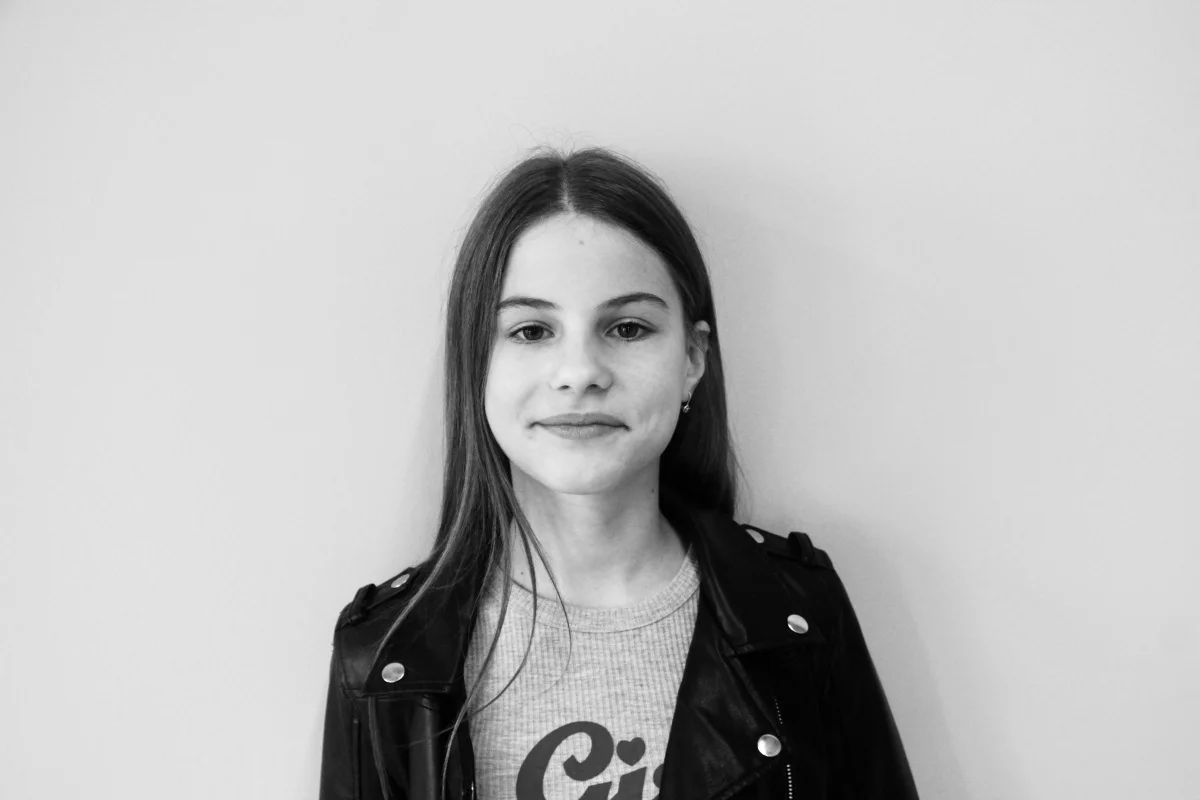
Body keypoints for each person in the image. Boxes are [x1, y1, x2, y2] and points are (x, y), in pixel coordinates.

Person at [318, 146, 918, 800]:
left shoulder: (800, 616)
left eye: (627, 328)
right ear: (475, 362)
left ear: (692, 359)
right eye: (531, 331)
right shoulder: (382, 657)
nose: (580, 372)